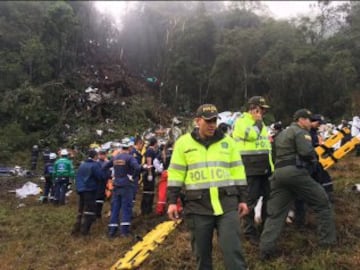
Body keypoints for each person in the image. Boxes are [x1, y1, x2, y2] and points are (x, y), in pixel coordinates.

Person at [167, 104, 249, 270]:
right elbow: (175, 175)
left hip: (227, 204)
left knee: (233, 252)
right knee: (202, 256)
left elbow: (238, 173)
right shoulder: (183, 144)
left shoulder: (228, 143)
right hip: (198, 207)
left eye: (214, 120)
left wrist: (243, 200)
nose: (212, 124)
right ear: (198, 121)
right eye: (208, 121)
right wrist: (172, 201)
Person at [260, 109, 337, 260]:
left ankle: (266, 250)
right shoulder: (301, 132)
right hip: (296, 173)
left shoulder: (280, 134)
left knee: (276, 214)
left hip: (279, 174)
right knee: (322, 203)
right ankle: (327, 243)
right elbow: (307, 152)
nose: (310, 123)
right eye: (308, 120)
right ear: (301, 120)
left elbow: (273, 154)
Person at [232, 96, 274, 244]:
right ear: (253, 108)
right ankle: (249, 232)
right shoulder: (241, 122)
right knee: (250, 201)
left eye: (263, 110)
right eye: (261, 109)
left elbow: (265, 146)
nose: (263, 112)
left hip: (264, 168)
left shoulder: (261, 124)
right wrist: (257, 121)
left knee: (269, 199)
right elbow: (252, 135)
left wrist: (271, 167)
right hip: (250, 168)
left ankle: (264, 227)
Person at [104, 138, 141, 237]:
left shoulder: (115, 157)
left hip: (116, 185)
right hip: (126, 185)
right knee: (126, 207)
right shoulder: (130, 158)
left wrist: (111, 176)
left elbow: (104, 166)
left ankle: (112, 231)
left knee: (115, 207)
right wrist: (132, 176)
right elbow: (137, 168)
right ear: (129, 147)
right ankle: (124, 232)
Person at [72, 149, 105, 236]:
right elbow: (100, 176)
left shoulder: (82, 165)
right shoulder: (94, 166)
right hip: (90, 189)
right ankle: (85, 231)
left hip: (81, 190)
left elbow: (77, 176)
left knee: (81, 209)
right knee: (90, 210)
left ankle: (76, 228)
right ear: (95, 156)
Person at [141, 137, 158, 215]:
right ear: (155, 143)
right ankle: (146, 210)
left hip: (149, 172)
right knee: (148, 191)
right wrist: (150, 173)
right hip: (148, 173)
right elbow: (149, 161)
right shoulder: (150, 151)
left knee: (150, 191)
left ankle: (147, 209)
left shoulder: (150, 150)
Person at [95, 149, 111, 219]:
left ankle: (98, 214)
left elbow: (109, 173)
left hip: (105, 183)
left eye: (103, 154)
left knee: (101, 199)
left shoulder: (107, 163)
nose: (102, 156)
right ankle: (96, 214)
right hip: (97, 183)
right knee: (97, 199)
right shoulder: (96, 163)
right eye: (100, 154)